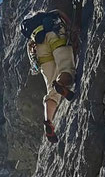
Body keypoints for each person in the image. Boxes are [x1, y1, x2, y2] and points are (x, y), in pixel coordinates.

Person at [20, 9, 78, 143]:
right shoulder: (49, 15)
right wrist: (72, 28)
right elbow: (62, 16)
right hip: (54, 36)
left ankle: (48, 121)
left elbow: (32, 53)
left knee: (51, 91)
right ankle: (61, 83)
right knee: (65, 67)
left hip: (41, 51)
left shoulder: (32, 35)